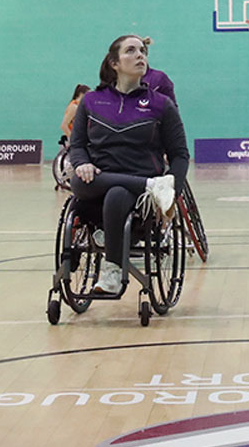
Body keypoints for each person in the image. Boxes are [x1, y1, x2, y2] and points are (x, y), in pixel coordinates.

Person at [69, 35, 189, 294]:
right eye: (131, 50)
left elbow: (180, 155)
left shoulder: (161, 105)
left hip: (135, 194)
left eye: (142, 51)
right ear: (114, 63)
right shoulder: (91, 101)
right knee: (78, 180)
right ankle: (151, 185)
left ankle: (112, 272)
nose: (140, 55)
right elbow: (76, 145)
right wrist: (81, 163)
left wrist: (173, 192)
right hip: (99, 179)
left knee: (117, 194)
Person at [141, 37, 177, 106]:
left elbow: (171, 109)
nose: (139, 55)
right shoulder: (118, 81)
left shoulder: (158, 79)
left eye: (142, 51)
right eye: (130, 51)